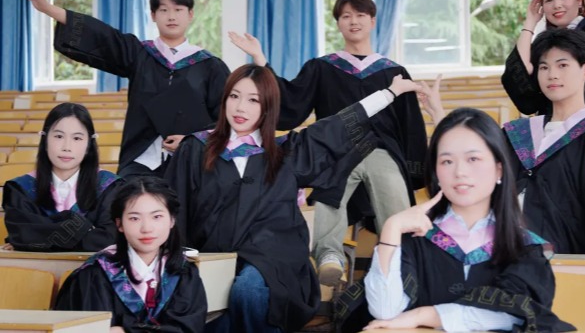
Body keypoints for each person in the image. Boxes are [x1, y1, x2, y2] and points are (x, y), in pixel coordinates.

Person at [165, 64, 422, 333]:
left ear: (268, 107)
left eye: (254, 100)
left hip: (272, 260)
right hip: (213, 256)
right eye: (234, 96)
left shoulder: (286, 153)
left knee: (249, 291)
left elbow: (337, 125)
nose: (241, 108)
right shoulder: (195, 149)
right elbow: (175, 207)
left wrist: (390, 93)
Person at [228, 0, 427, 286]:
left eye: (360, 15)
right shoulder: (322, 67)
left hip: (380, 150)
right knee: (328, 185)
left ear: (373, 21)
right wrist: (260, 59)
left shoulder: (394, 72)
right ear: (338, 23)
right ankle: (329, 256)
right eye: (346, 16)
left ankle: (402, 256)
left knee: (391, 183)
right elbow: (290, 102)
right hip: (335, 150)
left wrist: (413, 170)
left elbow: (409, 125)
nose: (353, 21)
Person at [337, 108, 574, 332]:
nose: (460, 172)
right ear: (436, 173)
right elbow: (385, 311)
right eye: (447, 161)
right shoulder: (415, 237)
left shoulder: (524, 246)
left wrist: (425, 315)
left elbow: (515, 315)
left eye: (473, 159)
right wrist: (391, 228)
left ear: (499, 169)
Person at [23, 0, 230, 178]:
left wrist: (191, 142)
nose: (171, 16)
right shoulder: (140, 54)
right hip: (141, 158)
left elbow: (224, 118)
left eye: (178, 9)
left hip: (192, 162)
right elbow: (102, 36)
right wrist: (47, 8)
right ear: (153, 15)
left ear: (190, 14)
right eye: (164, 10)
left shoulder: (210, 65)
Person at [503, 29, 585, 254]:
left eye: (562, 65)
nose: (552, 75)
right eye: (544, 67)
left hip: (560, 257)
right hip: (505, 252)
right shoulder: (519, 133)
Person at [55, 176, 207, 332]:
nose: (146, 228)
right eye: (134, 218)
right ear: (119, 224)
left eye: (157, 217)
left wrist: (125, 330)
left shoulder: (184, 273)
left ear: (172, 220)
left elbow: (188, 329)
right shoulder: (95, 275)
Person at [2, 103, 121, 251]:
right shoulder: (20, 189)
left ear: (89, 145)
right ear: (45, 140)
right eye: (59, 136)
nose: (66, 147)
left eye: (77, 138)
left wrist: (38, 239)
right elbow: (21, 234)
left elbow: (110, 238)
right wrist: (88, 230)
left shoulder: (110, 187)